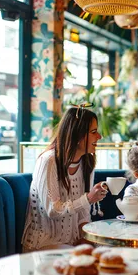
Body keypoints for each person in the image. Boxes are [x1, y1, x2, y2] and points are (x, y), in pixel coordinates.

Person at [22, 106, 107, 252]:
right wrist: (88, 198)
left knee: (109, 252)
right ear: (77, 134)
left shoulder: (87, 162)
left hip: (71, 243)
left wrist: (85, 239)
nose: (99, 136)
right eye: (93, 132)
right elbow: (52, 210)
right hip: (42, 244)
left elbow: (83, 213)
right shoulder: (48, 161)